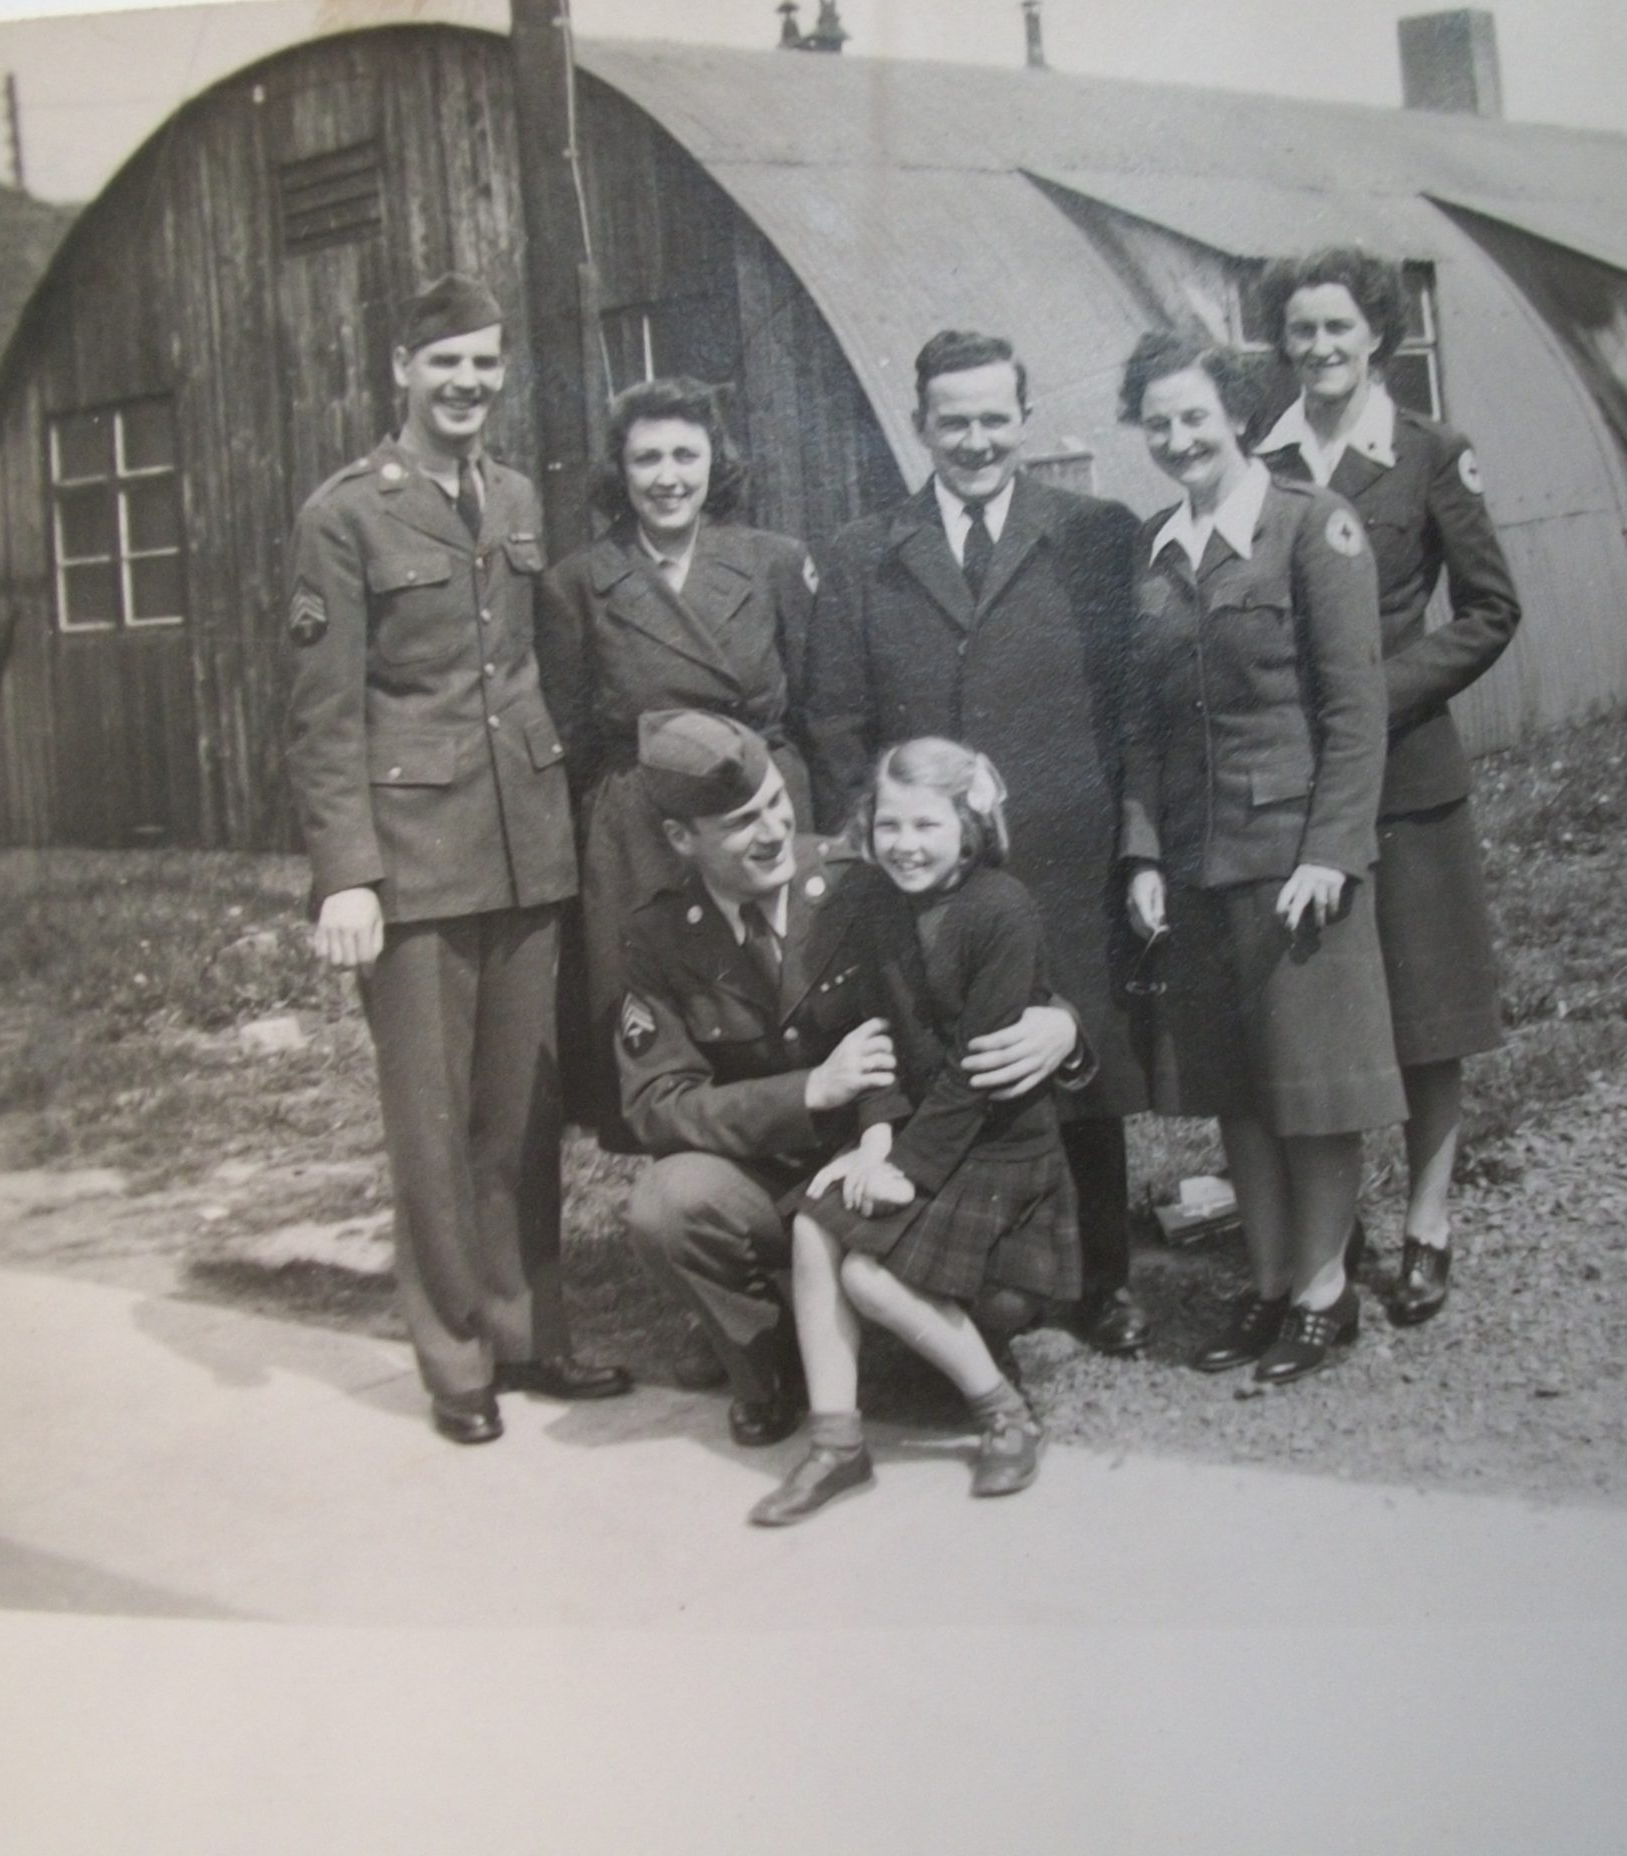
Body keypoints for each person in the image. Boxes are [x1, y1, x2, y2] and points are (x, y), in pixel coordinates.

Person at [281, 271, 630, 1446]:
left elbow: (525, 671)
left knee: (522, 1112)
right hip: (416, 859)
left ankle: (530, 1334)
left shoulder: (518, 493)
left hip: (525, 848)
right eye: (447, 363)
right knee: (431, 1121)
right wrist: (346, 873)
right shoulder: (344, 515)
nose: (470, 383)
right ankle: (455, 1358)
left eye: (486, 363)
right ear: (402, 371)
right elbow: (325, 714)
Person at [806, 330, 1154, 1356]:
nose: (974, 440)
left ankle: (1101, 1279)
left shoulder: (1093, 534)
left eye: (993, 418)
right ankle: (965, 1271)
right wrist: (875, 843)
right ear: (919, 425)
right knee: (941, 1056)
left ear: (1024, 416)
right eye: (951, 421)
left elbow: (1132, 702)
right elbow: (832, 723)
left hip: (1061, 848)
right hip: (917, 864)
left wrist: (1134, 840)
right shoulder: (863, 553)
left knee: (1078, 1063)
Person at [615, 711, 1087, 1451]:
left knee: (996, 1298)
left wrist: (1064, 1025)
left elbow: (986, 968)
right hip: (771, 1178)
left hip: (893, 1159)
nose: (774, 831)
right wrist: (807, 1091)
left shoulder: (859, 877)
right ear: (682, 839)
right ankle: (768, 1370)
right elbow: (655, 1105)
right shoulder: (658, 935)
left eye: (777, 802)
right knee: (666, 1205)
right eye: (741, 823)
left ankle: (935, 1351)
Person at [1116, 331, 1408, 1387]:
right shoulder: (1153, 548)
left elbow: (1355, 709)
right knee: (1236, 1090)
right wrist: (1142, 853)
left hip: (1293, 863)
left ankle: (1326, 1295)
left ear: (1237, 412)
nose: (1179, 438)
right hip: (1196, 867)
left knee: (1313, 1087)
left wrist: (1331, 850)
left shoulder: (1309, 528)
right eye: (1156, 423)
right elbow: (1141, 727)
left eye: (1195, 416)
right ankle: (1272, 1282)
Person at [1251, 248, 1522, 1326]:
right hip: (1292, 781)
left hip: (1405, 780)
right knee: (1321, 1009)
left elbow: (1490, 611)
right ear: (1281, 344)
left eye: (1338, 329)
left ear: (1376, 337)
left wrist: (1376, 693)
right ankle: (1332, 1225)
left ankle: (1427, 1224)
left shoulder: (1428, 455)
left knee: (1424, 1011)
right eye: (1301, 331)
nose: (1319, 348)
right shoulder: (1258, 460)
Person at [749, 739, 1071, 1527]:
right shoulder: (874, 905)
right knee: (814, 1233)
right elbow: (875, 1037)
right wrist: (875, 1138)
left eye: (927, 824)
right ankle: (837, 1446)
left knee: (869, 1276)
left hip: (999, 1148)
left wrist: (910, 1168)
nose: (906, 844)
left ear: (969, 825)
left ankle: (1004, 1414)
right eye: (889, 825)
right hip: (922, 1139)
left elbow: (975, 1072)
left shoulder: (1002, 909)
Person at [536, 377, 818, 1147]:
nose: (668, 476)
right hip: (644, 825)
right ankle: (687, 1182)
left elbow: (816, 708)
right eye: (647, 457)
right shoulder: (578, 583)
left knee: (773, 986)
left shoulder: (775, 563)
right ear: (618, 473)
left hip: (762, 803)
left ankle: (791, 1164)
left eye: (686, 455)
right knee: (665, 1003)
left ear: (714, 462)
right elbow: (569, 736)